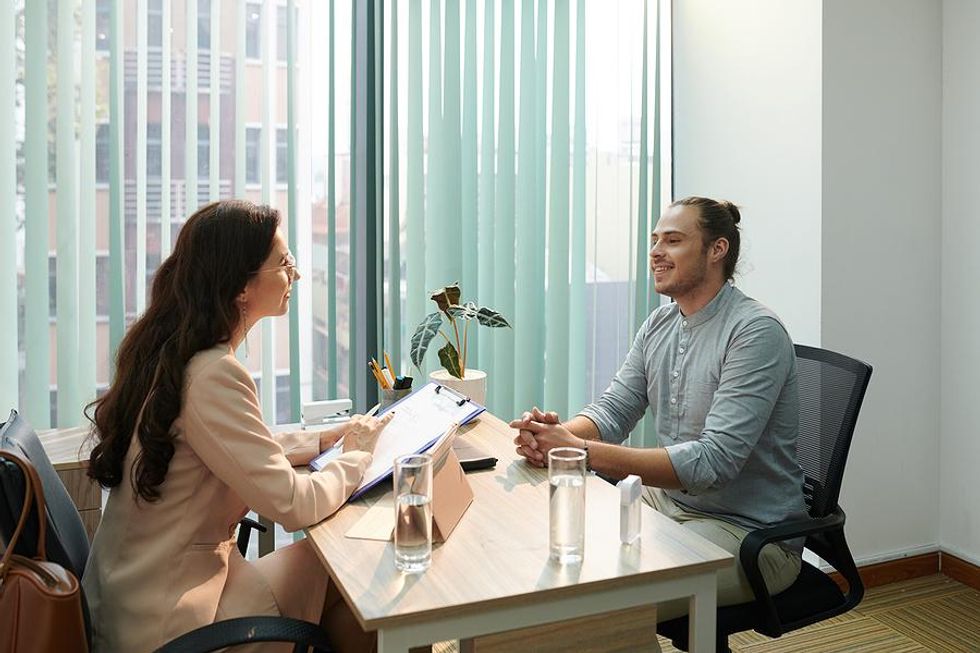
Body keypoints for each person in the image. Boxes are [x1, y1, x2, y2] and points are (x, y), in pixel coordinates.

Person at [82, 200, 391, 653]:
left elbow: (226, 446)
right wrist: (357, 457)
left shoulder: (170, 355)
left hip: (133, 600)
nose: (297, 274)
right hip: (171, 624)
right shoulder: (214, 374)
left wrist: (321, 440)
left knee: (350, 599)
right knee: (351, 567)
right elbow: (291, 503)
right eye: (284, 263)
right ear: (241, 287)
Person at [512, 196, 806, 627]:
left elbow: (713, 463)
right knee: (547, 559)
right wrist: (553, 438)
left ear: (716, 250)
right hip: (665, 507)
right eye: (654, 240)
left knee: (594, 607)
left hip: (749, 535)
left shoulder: (755, 332)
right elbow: (613, 411)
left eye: (672, 240)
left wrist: (577, 452)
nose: (655, 252)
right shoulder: (660, 324)